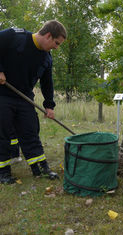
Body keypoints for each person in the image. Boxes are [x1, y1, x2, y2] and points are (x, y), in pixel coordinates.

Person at [0, 20, 67, 184]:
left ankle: (40, 169)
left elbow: (47, 83)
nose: (56, 47)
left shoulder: (46, 58)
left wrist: (49, 105)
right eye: (56, 43)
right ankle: (3, 172)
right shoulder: (14, 36)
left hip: (24, 97)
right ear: (48, 35)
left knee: (31, 131)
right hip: (2, 94)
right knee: (3, 134)